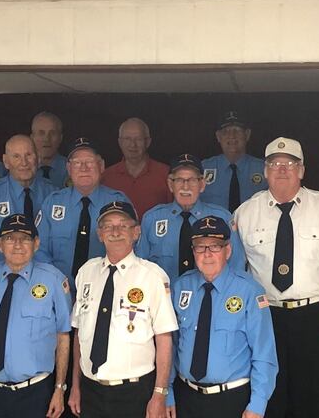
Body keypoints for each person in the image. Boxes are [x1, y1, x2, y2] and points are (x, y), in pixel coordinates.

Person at [234, 137, 319, 418]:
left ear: (301, 170)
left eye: (290, 163)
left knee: (312, 393)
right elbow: (235, 270)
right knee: (270, 392)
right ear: (265, 170)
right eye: (275, 164)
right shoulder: (245, 212)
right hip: (265, 315)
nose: (282, 169)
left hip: (313, 314)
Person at [68, 201, 178, 418]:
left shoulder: (152, 276)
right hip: (91, 389)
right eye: (108, 226)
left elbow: (164, 338)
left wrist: (159, 393)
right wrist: (75, 386)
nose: (115, 231)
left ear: (136, 232)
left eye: (123, 225)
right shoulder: (86, 273)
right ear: (99, 234)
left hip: (135, 391)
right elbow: (80, 333)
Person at [0, 214, 71, 418]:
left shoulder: (54, 280)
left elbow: (63, 336)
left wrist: (59, 388)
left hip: (36, 393)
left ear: (36, 244)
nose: (18, 244)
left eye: (25, 238)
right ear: (0, 244)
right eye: (10, 238)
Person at [167, 216, 278, 418]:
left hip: (232, 399)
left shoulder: (249, 291)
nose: (207, 254)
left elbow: (264, 354)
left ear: (228, 250)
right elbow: (171, 346)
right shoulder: (181, 287)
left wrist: (258, 405)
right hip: (186, 397)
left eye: (215, 246)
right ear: (193, 251)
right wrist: (167, 393)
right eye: (200, 247)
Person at [137, 153, 246, 282]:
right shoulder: (152, 219)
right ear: (170, 184)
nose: (185, 186)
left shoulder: (222, 217)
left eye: (192, 180)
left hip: (210, 297)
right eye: (179, 180)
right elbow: (140, 268)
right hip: (163, 298)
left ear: (202, 184)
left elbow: (236, 265)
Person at [35, 137, 129, 286]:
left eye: (90, 162)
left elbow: (131, 250)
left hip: (105, 288)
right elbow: (39, 249)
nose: (84, 168)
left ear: (101, 165)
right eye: (77, 163)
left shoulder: (118, 203)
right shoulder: (53, 202)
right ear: (68, 168)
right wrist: (59, 283)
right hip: (57, 287)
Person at [0, 135, 57, 271]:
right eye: (16, 156)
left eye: (29, 155)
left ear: (38, 158)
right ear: (6, 161)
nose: (24, 162)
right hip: (3, 282)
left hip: (44, 284)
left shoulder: (54, 195)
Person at [102, 117, 172, 217]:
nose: (133, 145)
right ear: (120, 142)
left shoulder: (166, 174)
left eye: (138, 139)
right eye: (127, 139)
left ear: (148, 142)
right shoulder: (106, 177)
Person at [201, 111, 267, 213]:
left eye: (237, 130)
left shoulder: (263, 169)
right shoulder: (203, 169)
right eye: (226, 131)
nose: (232, 136)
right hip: (212, 227)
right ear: (218, 136)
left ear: (247, 134)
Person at [31, 111, 69, 188]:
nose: (46, 139)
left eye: (52, 133)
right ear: (32, 138)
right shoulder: (22, 169)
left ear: (60, 138)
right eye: (41, 133)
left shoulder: (72, 169)